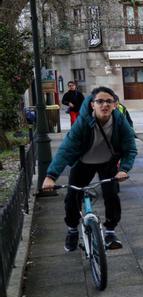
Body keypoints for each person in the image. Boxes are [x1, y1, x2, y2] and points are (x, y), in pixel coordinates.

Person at [42, 86, 137, 251]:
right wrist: (51, 176)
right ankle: (72, 230)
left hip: (107, 162)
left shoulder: (120, 122)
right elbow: (66, 149)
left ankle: (110, 231)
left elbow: (130, 149)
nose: (104, 105)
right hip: (84, 163)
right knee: (72, 196)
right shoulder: (83, 122)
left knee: (111, 195)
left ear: (115, 105)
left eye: (109, 101)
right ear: (93, 104)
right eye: (100, 101)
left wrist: (124, 169)